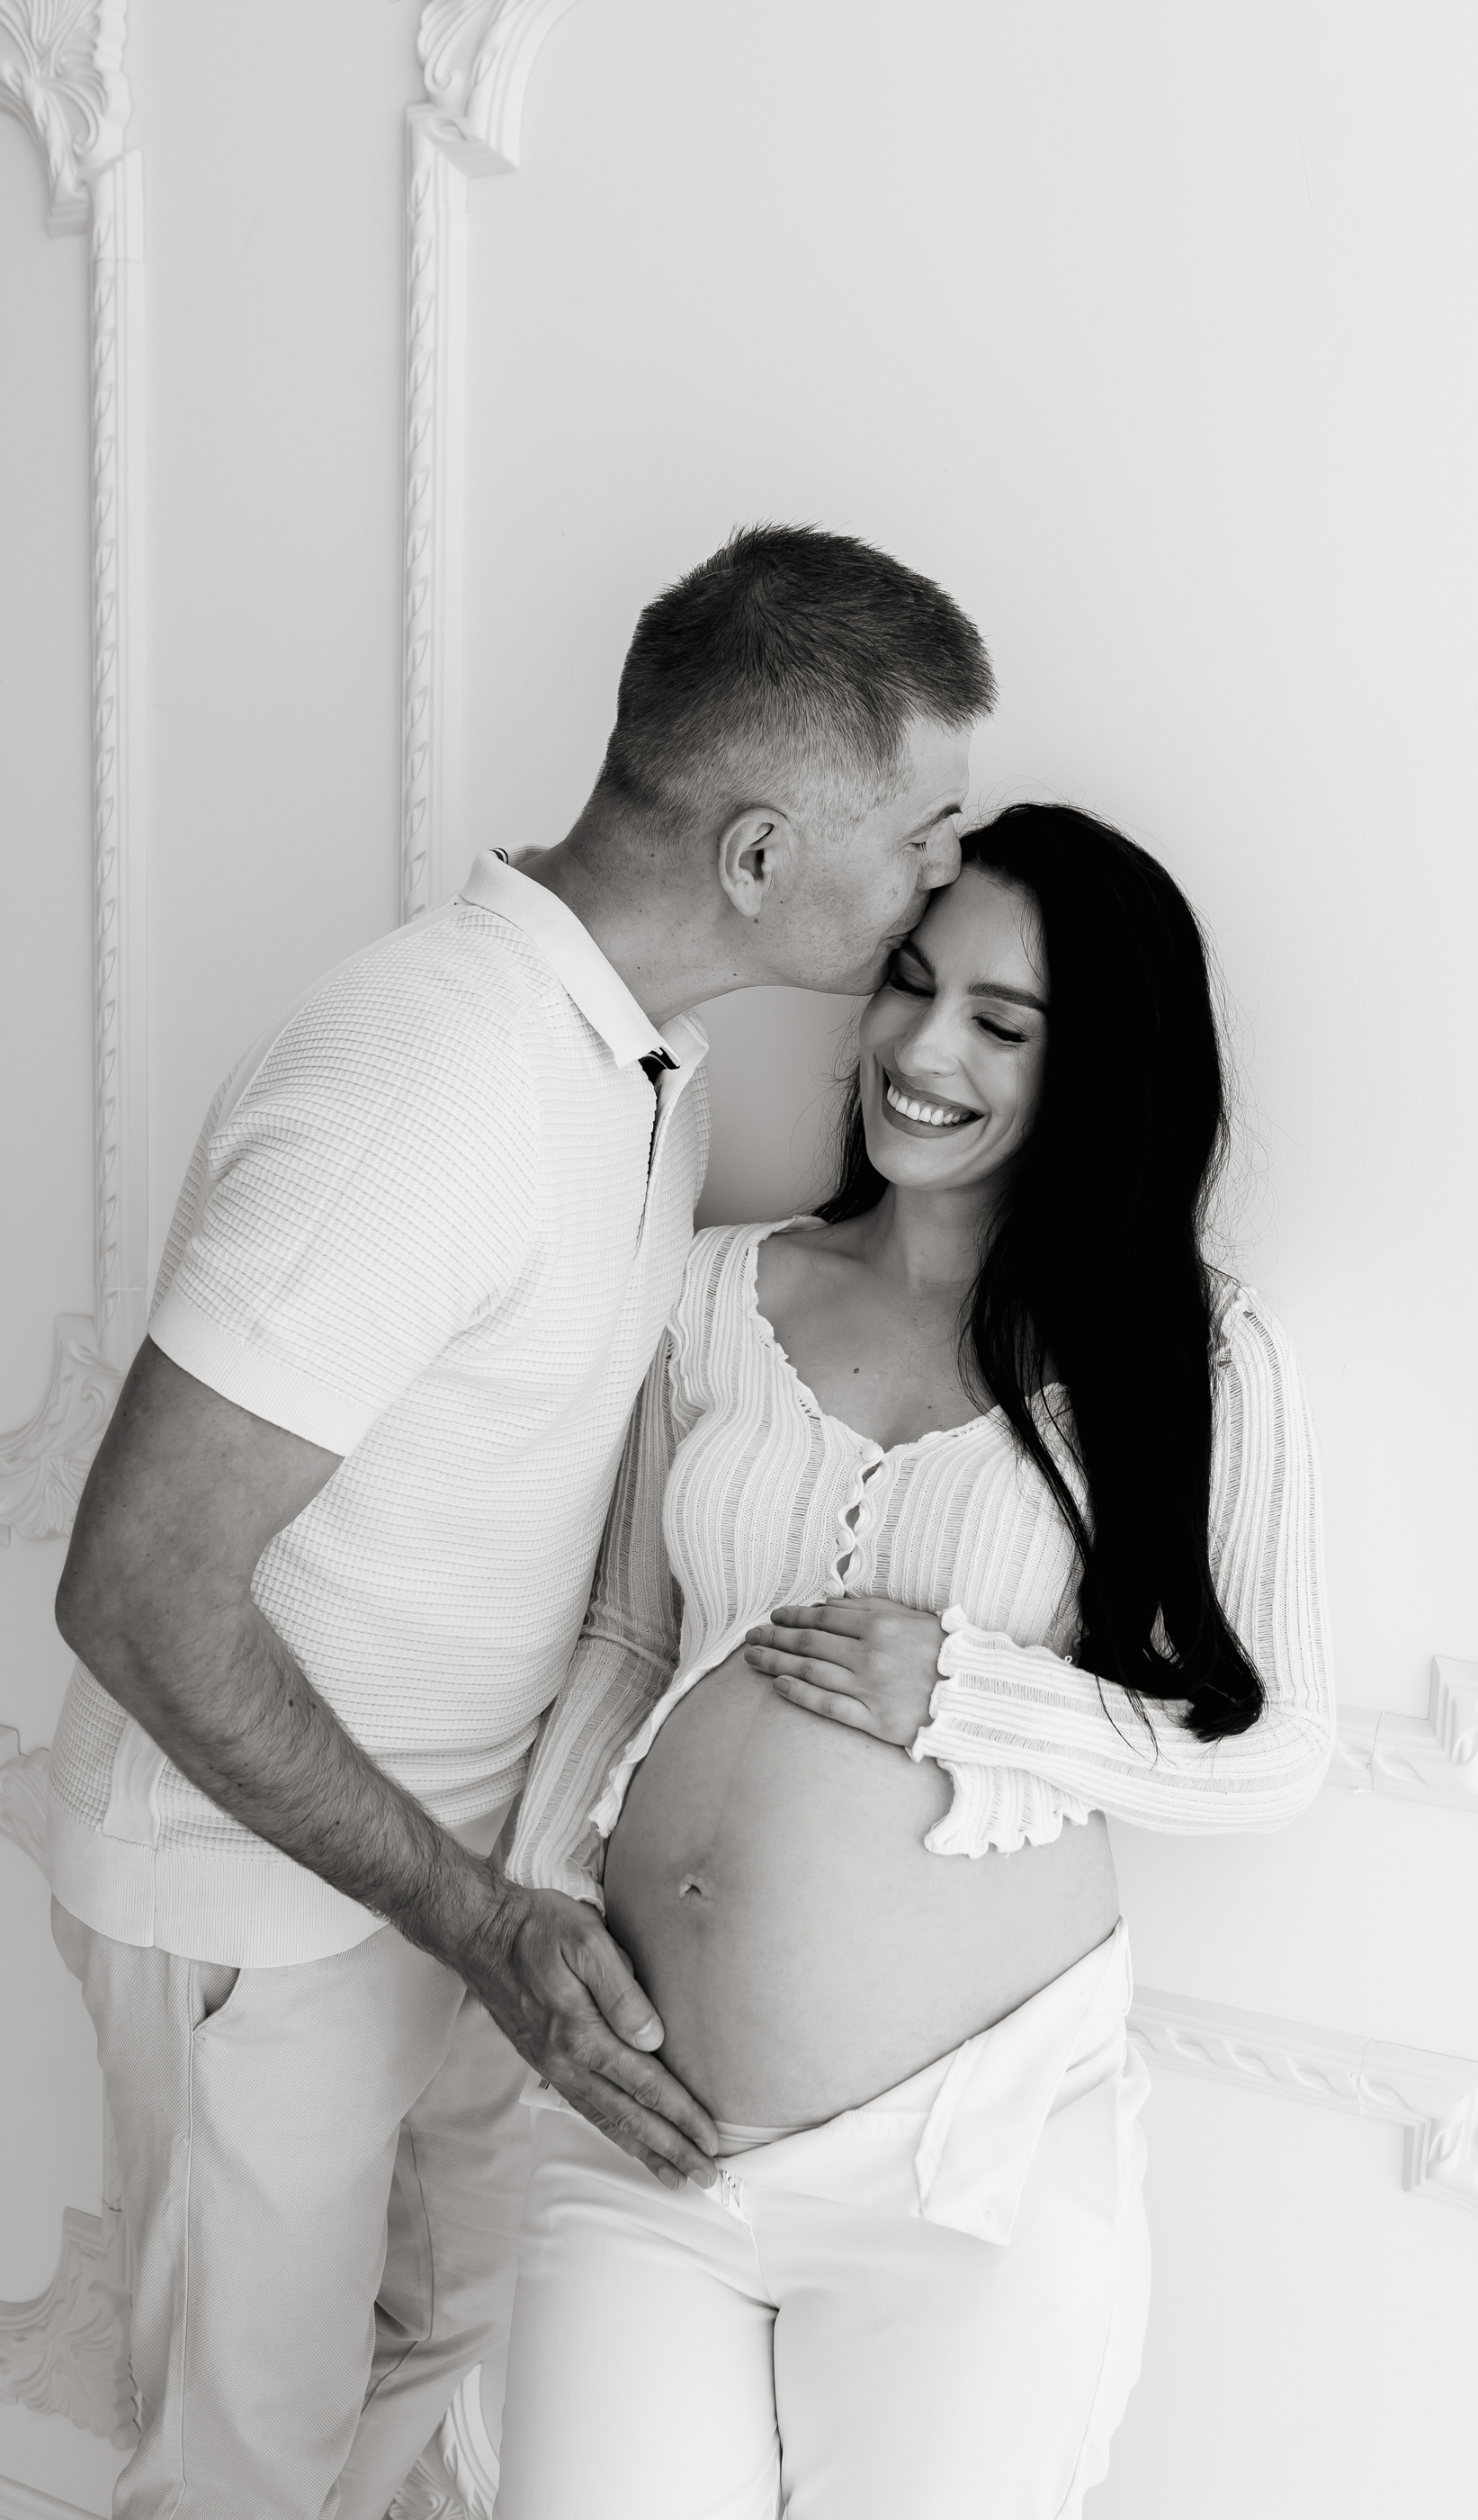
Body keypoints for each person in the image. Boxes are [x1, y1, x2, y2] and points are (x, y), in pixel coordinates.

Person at [46, 525, 996, 2520]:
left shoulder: (640, 1070)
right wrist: (473, 1917)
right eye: (921, 831)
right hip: (261, 1910)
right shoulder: (431, 1076)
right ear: (758, 854)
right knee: (237, 2473)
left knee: (423, 2379)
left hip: (447, 1900)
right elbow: (139, 1587)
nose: (940, 872)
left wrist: (503, 1906)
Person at [496, 804, 1336, 2520]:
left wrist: (964, 1690)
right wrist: (543, 1917)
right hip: (646, 2130)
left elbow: (1276, 1748)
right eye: (909, 982)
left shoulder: (1192, 1356)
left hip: (964, 2176)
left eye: (1001, 1023)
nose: (923, 1046)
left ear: (1093, 1071)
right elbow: (628, 1637)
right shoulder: (717, 1290)